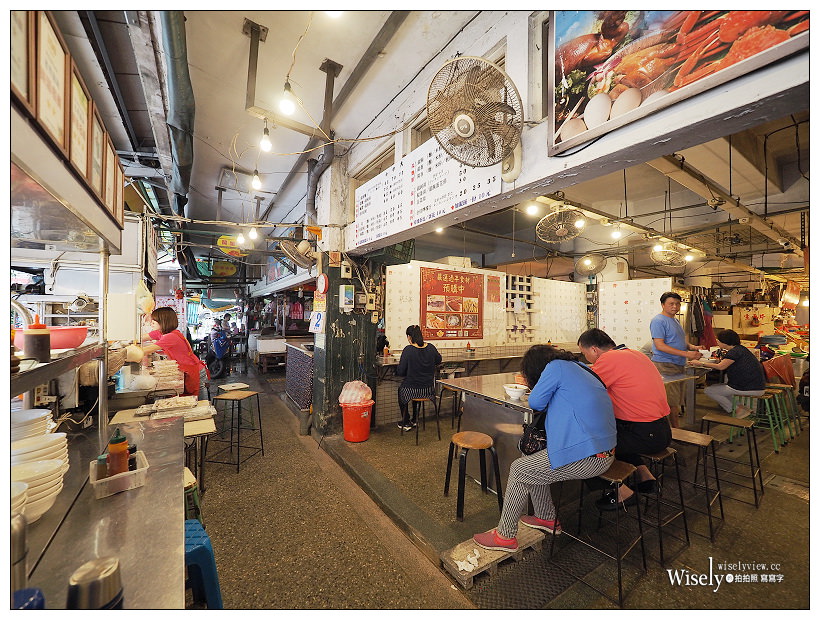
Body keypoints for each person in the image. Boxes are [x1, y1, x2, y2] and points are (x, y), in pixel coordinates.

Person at [473, 345, 616, 552]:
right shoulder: (578, 367)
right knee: (530, 456)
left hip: (591, 456)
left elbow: (535, 402)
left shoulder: (555, 368)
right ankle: (546, 517)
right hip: (604, 449)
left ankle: (505, 536)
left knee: (520, 469)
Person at [577, 328, 671, 510]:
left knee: (584, 446)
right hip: (661, 432)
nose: (585, 357)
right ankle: (646, 478)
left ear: (594, 350)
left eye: (584, 353)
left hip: (644, 435)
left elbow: (584, 389)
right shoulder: (634, 354)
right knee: (616, 433)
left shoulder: (608, 359)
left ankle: (622, 493)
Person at [650, 291, 702, 428]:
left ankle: (675, 430)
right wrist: (686, 355)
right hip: (665, 365)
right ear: (662, 305)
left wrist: (692, 347)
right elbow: (659, 345)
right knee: (671, 402)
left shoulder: (675, 320)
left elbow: (677, 341)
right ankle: (675, 432)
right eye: (671, 304)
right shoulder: (658, 321)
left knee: (677, 400)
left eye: (677, 304)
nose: (675, 306)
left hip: (677, 364)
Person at [691, 329, 766, 413]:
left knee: (709, 390)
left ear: (725, 342)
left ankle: (736, 410)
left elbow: (720, 367)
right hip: (757, 385)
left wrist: (700, 363)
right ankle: (741, 409)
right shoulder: (740, 349)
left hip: (749, 387)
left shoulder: (734, 352)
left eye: (718, 341)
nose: (717, 343)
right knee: (718, 387)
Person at [141, 307, 207, 397]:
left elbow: (144, 351)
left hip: (194, 369)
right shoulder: (161, 333)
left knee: (199, 400)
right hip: (187, 368)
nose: (151, 323)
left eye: (154, 321)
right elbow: (141, 338)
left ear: (164, 321)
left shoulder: (170, 336)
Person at [395, 325, 441, 431]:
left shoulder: (408, 350)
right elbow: (439, 360)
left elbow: (401, 372)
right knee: (417, 390)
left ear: (409, 337)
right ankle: (415, 419)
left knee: (402, 391)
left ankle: (406, 422)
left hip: (411, 390)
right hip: (428, 391)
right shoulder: (431, 347)